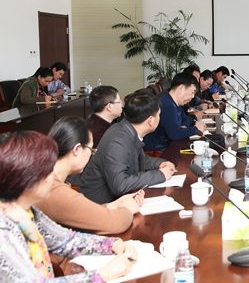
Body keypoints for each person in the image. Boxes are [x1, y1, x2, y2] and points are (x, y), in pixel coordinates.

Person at [0, 130, 136, 282]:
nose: (53, 176)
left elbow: (65, 241)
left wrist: (111, 244)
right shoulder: (3, 231)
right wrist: (102, 275)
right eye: (47, 171)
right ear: (26, 178)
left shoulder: (26, 210)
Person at [37, 116, 142, 234]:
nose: (91, 155)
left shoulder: (46, 179)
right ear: (77, 149)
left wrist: (114, 205)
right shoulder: (54, 189)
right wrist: (127, 209)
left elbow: (78, 212)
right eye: (91, 150)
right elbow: (116, 223)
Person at [78, 91, 176, 204]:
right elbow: (120, 184)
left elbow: (136, 158)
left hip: (118, 201)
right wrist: (161, 175)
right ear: (150, 121)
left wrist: (160, 164)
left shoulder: (126, 129)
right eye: (158, 115)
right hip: (98, 206)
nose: (159, 118)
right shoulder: (118, 140)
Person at [143, 73, 207, 152]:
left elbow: (185, 121)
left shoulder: (176, 103)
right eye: (192, 92)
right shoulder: (167, 104)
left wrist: (191, 126)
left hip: (168, 146)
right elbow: (174, 134)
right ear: (181, 88)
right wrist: (196, 129)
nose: (193, 96)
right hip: (157, 151)